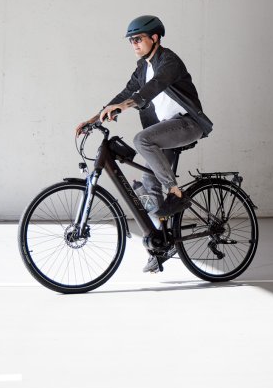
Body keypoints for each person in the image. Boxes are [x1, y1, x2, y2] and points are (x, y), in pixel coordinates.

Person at [75, 15, 212, 273]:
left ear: (155, 38)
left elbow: (152, 89)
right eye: (131, 41)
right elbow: (126, 93)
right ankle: (162, 243)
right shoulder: (142, 67)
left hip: (187, 123)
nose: (134, 44)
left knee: (141, 140)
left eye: (138, 39)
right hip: (165, 130)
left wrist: (124, 107)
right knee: (148, 187)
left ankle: (176, 193)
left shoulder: (169, 61)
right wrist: (92, 119)